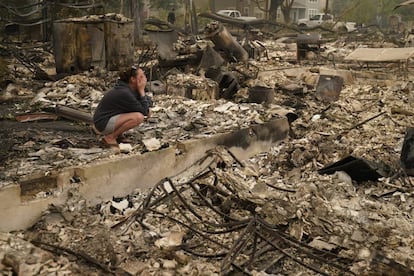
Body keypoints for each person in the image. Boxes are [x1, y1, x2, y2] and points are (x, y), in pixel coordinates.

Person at [93, 66, 152, 148]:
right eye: (141, 77)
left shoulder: (131, 89)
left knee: (133, 109)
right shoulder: (124, 92)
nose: (144, 79)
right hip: (103, 122)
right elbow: (144, 111)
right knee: (138, 117)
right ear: (133, 79)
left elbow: (149, 101)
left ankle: (119, 136)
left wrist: (142, 94)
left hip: (111, 118)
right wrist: (142, 91)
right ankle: (110, 137)